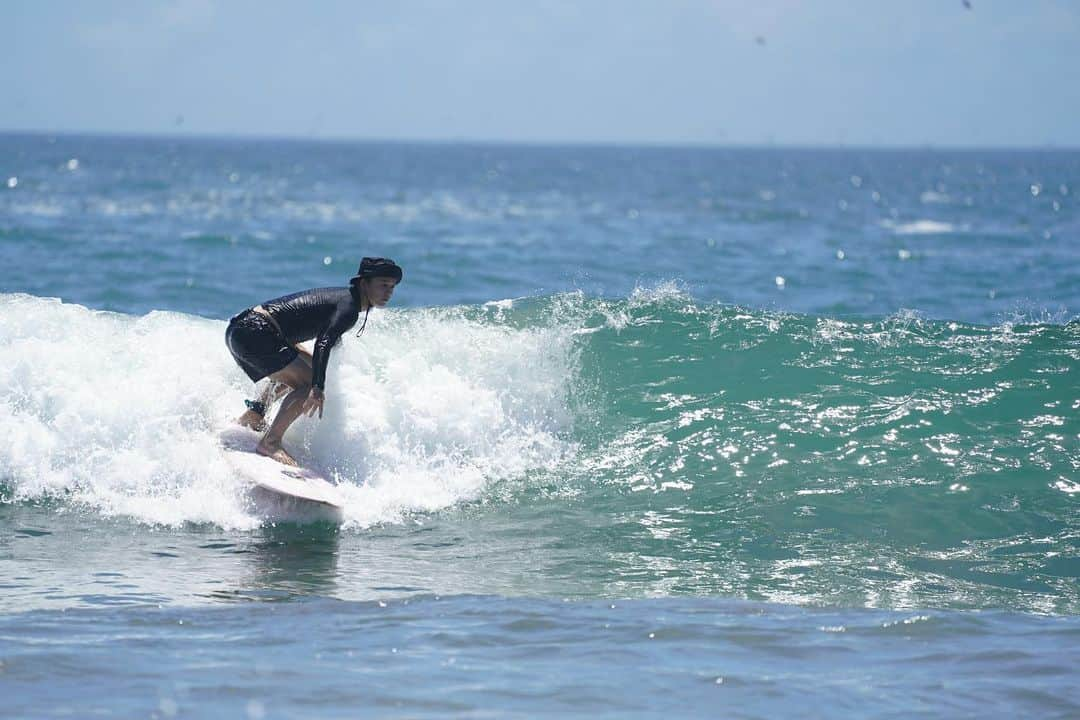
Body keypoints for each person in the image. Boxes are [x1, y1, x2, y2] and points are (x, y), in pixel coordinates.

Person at [225, 257, 402, 466]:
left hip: (243, 329)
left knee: (305, 366)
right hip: (255, 333)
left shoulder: (344, 300)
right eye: (383, 285)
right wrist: (317, 387)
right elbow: (323, 343)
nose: (388, 292)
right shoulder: (349, 307)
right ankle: (270, 443)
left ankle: (255, 414)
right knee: (309, 382)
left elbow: (317, 339)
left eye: (392, 287)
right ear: (364, 283)